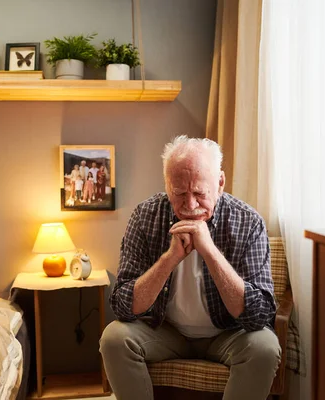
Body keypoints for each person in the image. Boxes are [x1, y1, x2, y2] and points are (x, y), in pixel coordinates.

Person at [100, 136, 280, 400]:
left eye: (199, 193)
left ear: (220, 183)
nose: (190, 206)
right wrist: (169, 259)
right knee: (113, 338)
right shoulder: (145, 216)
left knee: (265, 347)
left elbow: (260, 316)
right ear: (167, 185)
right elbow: (124, 306)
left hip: (228, 334)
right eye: (180, 194)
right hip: (165, 331)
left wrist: (209, 251)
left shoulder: (248, 221)